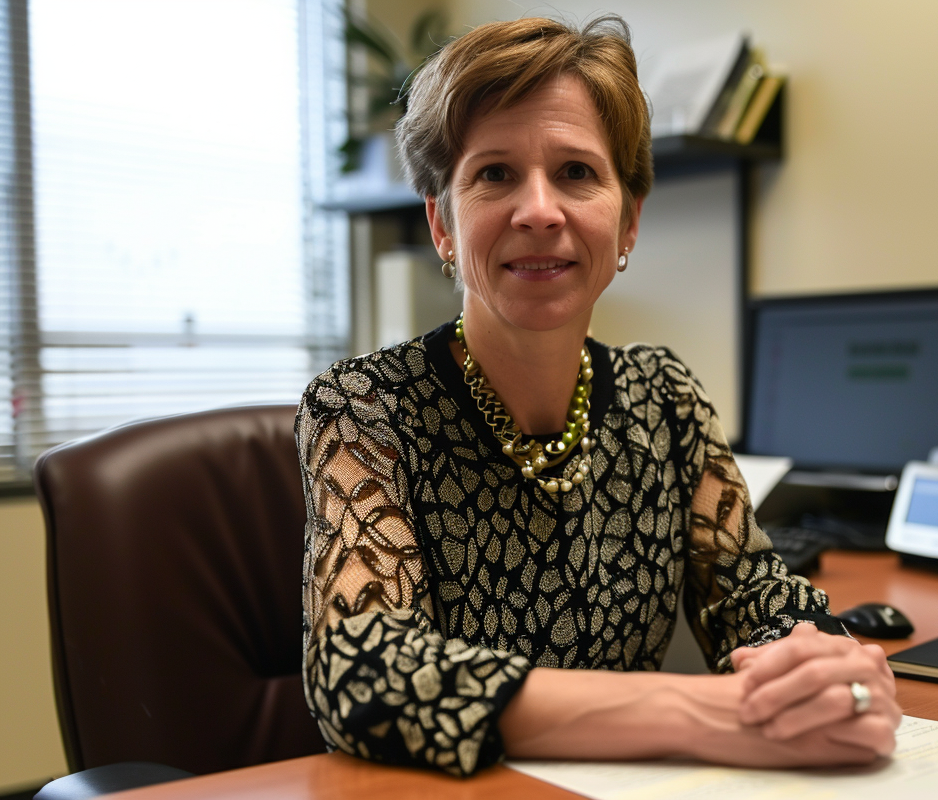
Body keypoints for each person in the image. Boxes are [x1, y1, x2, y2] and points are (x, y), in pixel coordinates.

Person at [296, 15, 900, 778]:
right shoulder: (360, 409)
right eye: (493, 174)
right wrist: (700, 713)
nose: (540, 210)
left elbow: (758, 600)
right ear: (442, 225)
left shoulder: (665, 397)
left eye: (577, 172)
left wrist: (833, 671)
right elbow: (359, 670)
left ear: (629, 220)